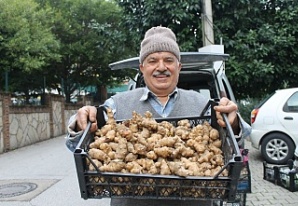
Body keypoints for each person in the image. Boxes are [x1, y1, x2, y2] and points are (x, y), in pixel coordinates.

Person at [66, 26, 251, 206]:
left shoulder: (204, 104)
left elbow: (240, 138)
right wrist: (79, 123)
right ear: (142, 67)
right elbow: (74, 143)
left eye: (169, 60)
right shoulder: (117, 104)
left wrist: (233, 123)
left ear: (179, 66)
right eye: (152, 60)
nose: (161, 67)